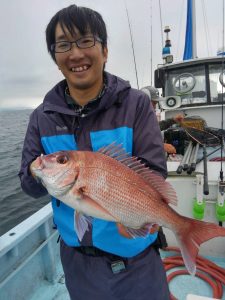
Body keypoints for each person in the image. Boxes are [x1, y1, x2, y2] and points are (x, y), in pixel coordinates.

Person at [19, 4, 170, 300]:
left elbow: (155, 172)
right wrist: (39, 173)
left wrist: (137, 216)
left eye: (86, 41)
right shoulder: (41, 117)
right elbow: (27, 184)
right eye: (63, 45)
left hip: (137, 261)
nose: (76, 54)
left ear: (105, 50)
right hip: (79, 264)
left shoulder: (136, 104)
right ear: (55, 57)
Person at [141, 86, 184, 154]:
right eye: (154, 103)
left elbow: (155, 127)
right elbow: (137, 141)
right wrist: (161, 146)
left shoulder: (145, 116)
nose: (155, 107)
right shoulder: (134, 118)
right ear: (144, 101)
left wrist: (173, 120)